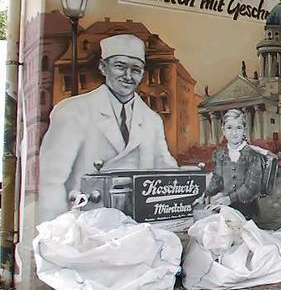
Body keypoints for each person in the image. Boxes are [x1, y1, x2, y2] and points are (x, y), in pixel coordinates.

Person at [38, 34, 179, 222]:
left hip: (138, 225)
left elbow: (166, 169)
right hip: (84, 224)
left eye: (136, 69)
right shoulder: (72, 111)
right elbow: (51, 182)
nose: (128, 76)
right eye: (120, 67)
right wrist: (59, 232)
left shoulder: (152, 120)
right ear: (103, 68)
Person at [204, 108, 275, 219]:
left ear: (244, 130)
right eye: (229, 128)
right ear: (223, 130)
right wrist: (206, 194)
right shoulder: (221, 155)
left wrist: (228, 199)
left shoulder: (252, 155)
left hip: (247, 212)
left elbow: (251, 188)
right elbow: (216, 179)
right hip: (224, 209)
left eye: (238, 128)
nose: (234, 133)